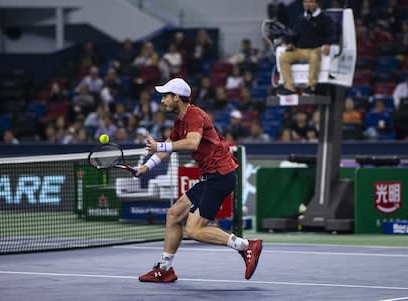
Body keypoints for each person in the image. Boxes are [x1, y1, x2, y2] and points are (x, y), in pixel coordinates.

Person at [136, 78, 263, 282]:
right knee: (174, 214)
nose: (162, 101)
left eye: (165, 96)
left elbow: (192, 143)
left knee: (194, 230)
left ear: (176, 97)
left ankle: (248, 246)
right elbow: (169, 144)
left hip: (220, 175)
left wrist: (160, 146)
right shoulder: (179, 121)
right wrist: (145, 167)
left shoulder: (195, 115)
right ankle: (165, 269)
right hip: (210, 177)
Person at [277, 0, 334, 96]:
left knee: (314, 55)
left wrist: (328, 44)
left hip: (317, 49)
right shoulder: (300, 19)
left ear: (317, 3)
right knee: (283, 57)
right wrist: (291, 44)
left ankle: (310, 86)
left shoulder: (325, 18)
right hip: (301, 50)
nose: (307, 4)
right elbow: (295, 35)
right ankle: (289, 87)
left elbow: (331, 35)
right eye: (305, 2)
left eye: (311, 2)